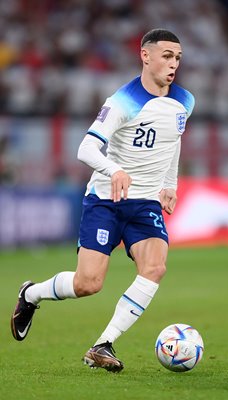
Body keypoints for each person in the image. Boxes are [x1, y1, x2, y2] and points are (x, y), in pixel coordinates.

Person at [11, 28, 195, 373]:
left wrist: (169, 183)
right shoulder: (121, 101)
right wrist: (114, 170)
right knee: (88, 284)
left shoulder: (184, 100)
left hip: (145, 204)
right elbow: (86, 148)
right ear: (145, 55)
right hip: (107, 199)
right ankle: (31, 294)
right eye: (167, 56)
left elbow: (175, 141)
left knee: (155, 267)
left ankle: (102, 344)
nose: (173, 64)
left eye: (178, 58)